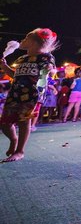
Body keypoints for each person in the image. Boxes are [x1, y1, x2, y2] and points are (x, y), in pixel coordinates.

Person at [0, 28, 59, 162]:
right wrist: (4, 67)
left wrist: (50, 70)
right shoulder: (22, 58)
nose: (22, 41)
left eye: (26, 38)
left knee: (24, 121)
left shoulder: (46, 57)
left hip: (33, 95)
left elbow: (51, 69)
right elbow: (15, 75)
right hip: (15, 93)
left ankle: (20, 151)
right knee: (4, 123)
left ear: (34, 43)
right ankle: (13, 139)